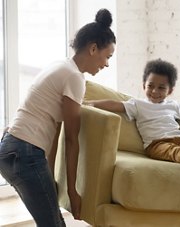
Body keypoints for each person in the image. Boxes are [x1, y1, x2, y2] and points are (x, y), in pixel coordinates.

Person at [0, 8, 116, 227]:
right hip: (25, 152)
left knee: (49, 221)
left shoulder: (61, 66)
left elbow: (56, 130)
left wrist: (51, 176)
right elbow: (71, 140)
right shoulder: (74, 77)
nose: (107, 64)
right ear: (93, 49)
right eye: (107, 56)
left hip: (9, 149)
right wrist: (73, 191)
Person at [84, 59, 180, 175]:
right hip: (156, 144)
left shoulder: (173, 105)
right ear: (144, 86)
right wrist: (92, 104)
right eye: (150, 86)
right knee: (174, 152)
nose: (155, 91)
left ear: (170, 90)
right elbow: (115, 105)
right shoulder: (137, 104)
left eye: (161, 88)